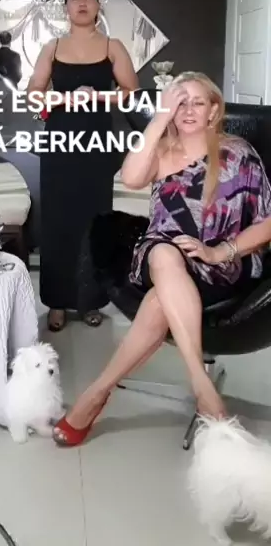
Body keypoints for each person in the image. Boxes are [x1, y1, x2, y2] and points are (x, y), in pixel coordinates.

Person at [52, 72, 271, 446]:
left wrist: (219, 251)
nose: (188, 110)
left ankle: (97, 393)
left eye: (197, 102)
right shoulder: (160, 150)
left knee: (158, 301)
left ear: (213, 111)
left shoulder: (238, 153)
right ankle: (202, 385)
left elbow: (267, 222)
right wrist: (158, 120)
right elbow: (131, 177)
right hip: (161, 254)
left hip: (221, 262)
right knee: (165, 253)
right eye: (180, 102)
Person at [27, 0, 139, 331]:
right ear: (66, 7)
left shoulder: (112, 46)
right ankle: (57, 301)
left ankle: (92, 300)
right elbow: (33, 93)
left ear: (98, 6)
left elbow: (130, 92)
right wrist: (64, 98)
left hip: (96, 142)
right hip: (60, 142)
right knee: (57, 219)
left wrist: (97, 96)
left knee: (95, 220)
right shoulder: (52, 47)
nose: (82, 2)